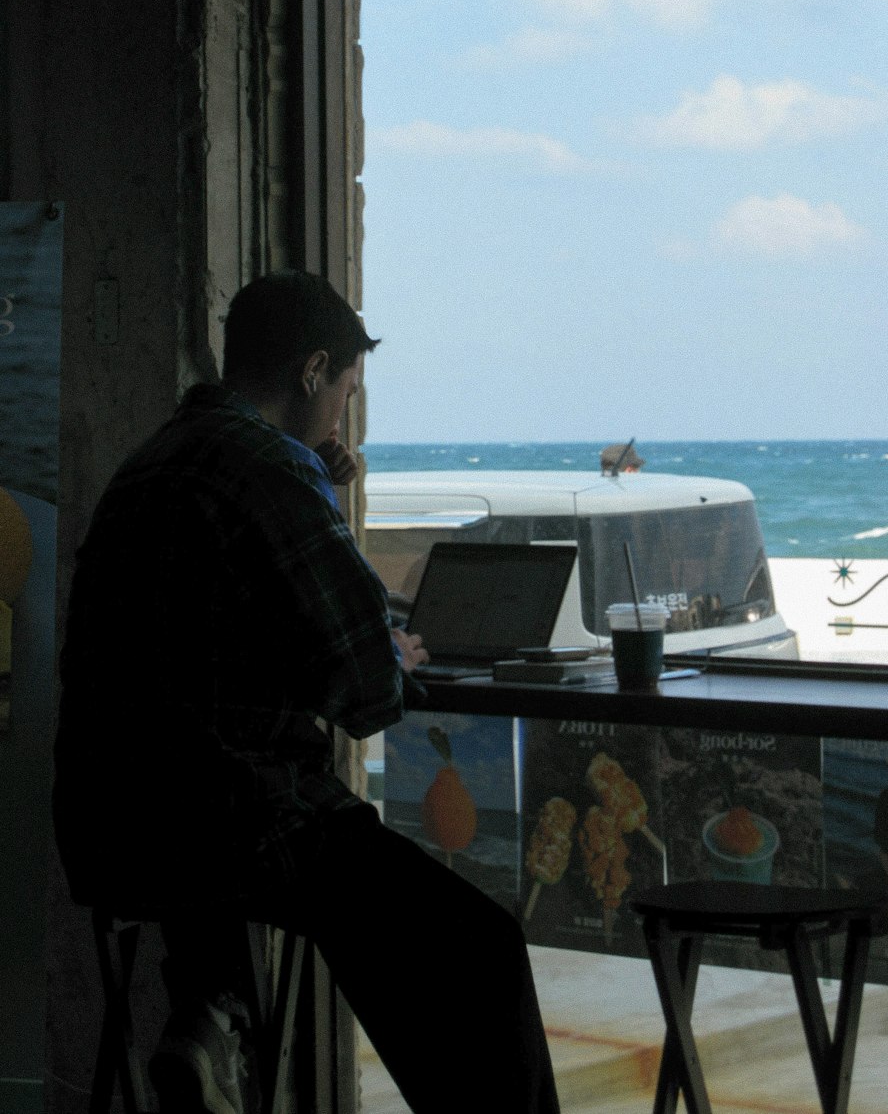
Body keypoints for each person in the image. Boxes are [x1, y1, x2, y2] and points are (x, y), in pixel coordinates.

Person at [52, 270, 561, 1114]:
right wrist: (390, 642)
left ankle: (213, 1019)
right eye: (348, 393)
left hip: (110, 832)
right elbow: (367, 691)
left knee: (224, 818)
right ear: (314, 370)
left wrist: (317, 485)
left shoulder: (154, 459)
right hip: (238, 829)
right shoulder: (271, 471)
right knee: (485, 950)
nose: (344, 417)